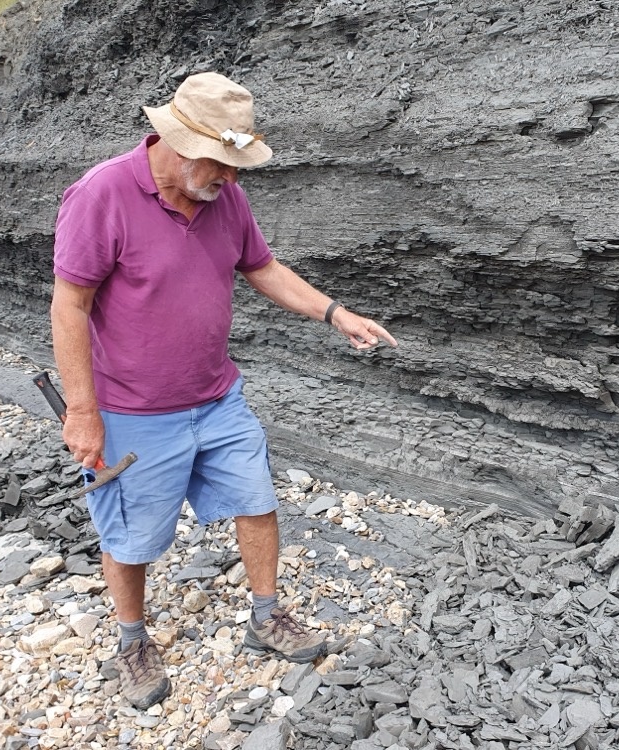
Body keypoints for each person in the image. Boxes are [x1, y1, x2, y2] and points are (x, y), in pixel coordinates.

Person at [50, 71, 397, 710]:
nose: (232, 179)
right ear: (176, 143)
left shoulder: (222, 198)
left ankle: (265, 619)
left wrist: (334, 313)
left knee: (257, 499)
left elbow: (261, 267)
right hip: (132, 410)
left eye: (238, 166)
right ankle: (131, 642)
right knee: (130, 536)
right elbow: (70, 306)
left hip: (217, 397)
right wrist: (82, 410)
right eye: (221, 163)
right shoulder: (100, 195)